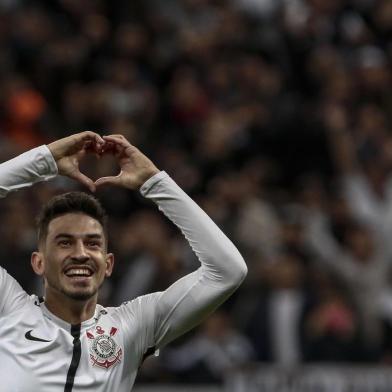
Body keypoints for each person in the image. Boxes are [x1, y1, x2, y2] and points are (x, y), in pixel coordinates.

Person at [0, 131, 247, 392]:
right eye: (64, 242)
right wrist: (44, 161)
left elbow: (227, 271)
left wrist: (154, 182)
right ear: (38, 263)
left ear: (108, 264)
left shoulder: (132, 327)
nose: (81, 253)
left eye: (93, 243)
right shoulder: (10, 309)